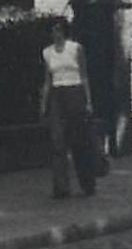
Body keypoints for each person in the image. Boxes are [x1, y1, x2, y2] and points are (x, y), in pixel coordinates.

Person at [41, 21, 96, 198]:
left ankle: (87, 183)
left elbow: (84, 75)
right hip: (57, 94)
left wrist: (88, 101)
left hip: (75, 91)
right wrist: (44, 103)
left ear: (64, 32)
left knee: (79, 140)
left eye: (58, 30)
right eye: (53, 30)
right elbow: (48, 80)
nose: (55, 34)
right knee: (58, 141)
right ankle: (61, 187)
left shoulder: (75, 49)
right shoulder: (47, 52)